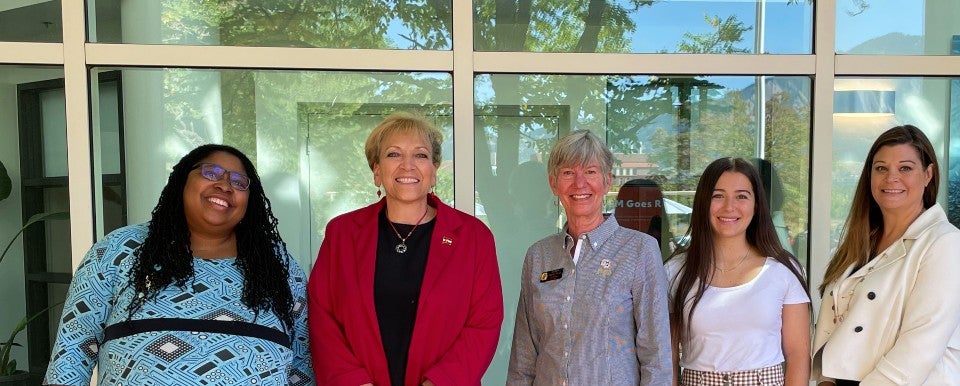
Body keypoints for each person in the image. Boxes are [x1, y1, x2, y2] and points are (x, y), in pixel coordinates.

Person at [44, 144, 314, 385]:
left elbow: (303, 365)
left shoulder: (279, 267)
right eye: (211, 172)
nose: (224, 185)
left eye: (239, 181)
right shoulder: (119, 250)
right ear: (181, 181)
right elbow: (73, 351)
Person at [308, 112, 503, 386]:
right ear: (377, 170)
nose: (407, 165)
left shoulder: (473, 238)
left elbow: (484, 323)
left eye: (421, 155)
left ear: (434, 170)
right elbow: (322, 318)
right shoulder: (342, 234)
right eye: (393, 154)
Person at [812, 125, 960, 385]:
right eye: (881, 168)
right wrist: (825, 380)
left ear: (928, 174)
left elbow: (920, 344)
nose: (891, 178)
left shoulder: (947, 243)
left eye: (905, 168)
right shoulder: (858, 242)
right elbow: (834, 323)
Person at [507, 130, 672, 385]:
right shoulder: (538, 256)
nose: (579, 183)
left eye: (591, 172)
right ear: (554, 184)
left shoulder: (639, 251)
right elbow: (524, 357)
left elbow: (656, 357)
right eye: (568, 173)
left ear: (607, 181)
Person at [665, 157, 810, 386]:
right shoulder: (675, 271)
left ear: (757, 204)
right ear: (703, 202)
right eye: (718, 195)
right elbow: (667, 358)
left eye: (741, 196)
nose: (729, 207)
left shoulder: (784, 270)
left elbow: (798, 356)